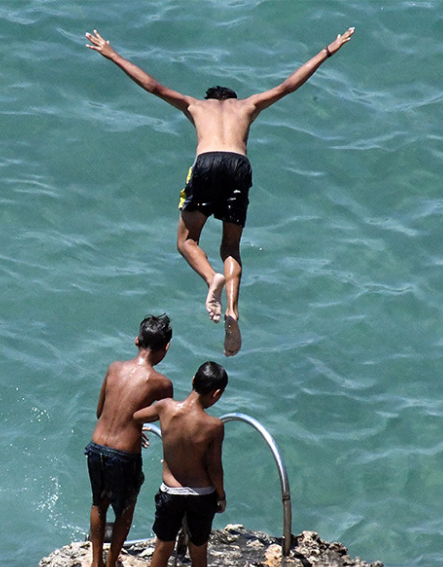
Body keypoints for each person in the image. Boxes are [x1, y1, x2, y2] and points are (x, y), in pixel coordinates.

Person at [85, 27, 356, 357]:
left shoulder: (196, 106)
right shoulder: (248, 106)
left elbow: (153, 86)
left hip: (208, 162)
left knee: (186, 241)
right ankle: (232, 312)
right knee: (231, 247)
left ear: (211, 99)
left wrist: (112, 54)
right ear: (233, 99)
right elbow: (288, 86)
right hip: (239, 165)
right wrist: (328, 50)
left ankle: (211, 277)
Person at [130, 361, 228, 567]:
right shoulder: (214, 426)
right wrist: (220, 495)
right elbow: (215, 467)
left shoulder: (165, 407)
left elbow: (136, 416)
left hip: (170, 493)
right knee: (199, 550)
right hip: (201, 496)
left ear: (193, 379)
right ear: (216, 393)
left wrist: (139, 431)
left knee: (162, 547)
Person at [84, 315, 175, 567]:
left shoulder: (114, 368)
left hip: (96, 446)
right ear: (165, 348)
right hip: (124, 455)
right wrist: (136, 428)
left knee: (98, 504)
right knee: (124, 510)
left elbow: (101, 412)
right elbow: (167, 422)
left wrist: (131, 425)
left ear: (137, 341)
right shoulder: (162, 383)